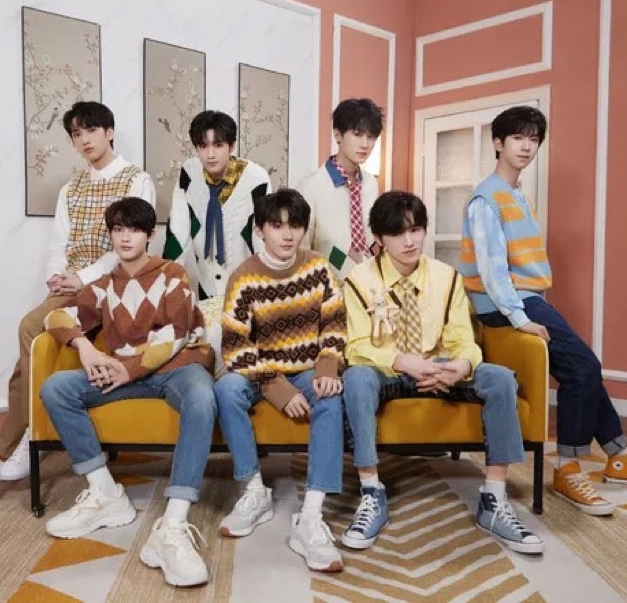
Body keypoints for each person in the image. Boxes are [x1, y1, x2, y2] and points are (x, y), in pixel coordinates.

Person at [342, 191, 544, 554]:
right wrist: (403, 361)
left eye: (416, 229)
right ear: (379, 238)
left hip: (440, 366)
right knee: (356, 377)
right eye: (398, 233)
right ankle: (371, 492)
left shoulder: (446, 278)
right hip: (390, 370)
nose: (409, 241)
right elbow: (355, 347)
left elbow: (463, 339)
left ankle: (494, 499)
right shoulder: (358, 280)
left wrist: (462, 365)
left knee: (499, 377)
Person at [40, 198, 216, 587]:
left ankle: (173, 524)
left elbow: (178, 332)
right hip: (124, 373)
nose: (125, 237)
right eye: (118, 230)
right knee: (56, 388)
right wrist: (84, 347)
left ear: (149, 235)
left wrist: (128, 368)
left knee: (203, 398)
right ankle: (105, 493)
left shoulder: (172, 274)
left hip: (176, 368)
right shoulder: (104, 286)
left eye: (134, 229)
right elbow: (56, 316)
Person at [460, 105, 626, 516]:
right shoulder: (486, 199)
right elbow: (493, 271)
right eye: (517, 138)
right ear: (498, 143)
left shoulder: (519, 195)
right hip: (508, 303)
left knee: (583, 366)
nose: (526, 146)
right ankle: (567, 468)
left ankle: (618, 454)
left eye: (533, 139)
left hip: (529, 298)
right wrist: (520, 319)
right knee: (583, 367)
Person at [0, 101, 155, 483]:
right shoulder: (71, 187)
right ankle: (11, 445)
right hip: (72, 284)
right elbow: (58, 242)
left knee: (31, 327)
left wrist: (82, 278)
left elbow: (130, 244)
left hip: (113, 280)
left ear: (109, 132)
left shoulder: (135, 180)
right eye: (77, 134)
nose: (84, 140)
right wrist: (57, 277)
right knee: (35, 346)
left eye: (91, 131)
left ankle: (25, 438)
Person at [214, 189, 347, 572]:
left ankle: (311, 515)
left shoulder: (319, 268)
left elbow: (335, 326)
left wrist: (327, 367)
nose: (288, 234)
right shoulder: (243, 277)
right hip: (260, 373)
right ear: (260, 230)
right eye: (277, 225)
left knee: (331, 396)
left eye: (296, 225)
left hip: (308, 369)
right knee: (225, 389)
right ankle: (254, 491)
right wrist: (275, 388)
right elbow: (235, 347)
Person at [163, 110, 271, 300]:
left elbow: (263, 235)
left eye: (218, 145)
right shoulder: (189, 173)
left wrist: (266, 288)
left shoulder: (256, 179)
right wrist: (169, 281)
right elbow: (178, 230)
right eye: (203, 146)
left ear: (231, 146)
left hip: (247, 282)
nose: (210, 154)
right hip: (206, 282)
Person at [298, 98, 383, 280]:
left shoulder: (371, 185)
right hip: (327, 288)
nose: (365, 144)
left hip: (369, 285)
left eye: (371, 137)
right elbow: (301, 251)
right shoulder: (311, 187)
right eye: (357, 134)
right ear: (338, 135)